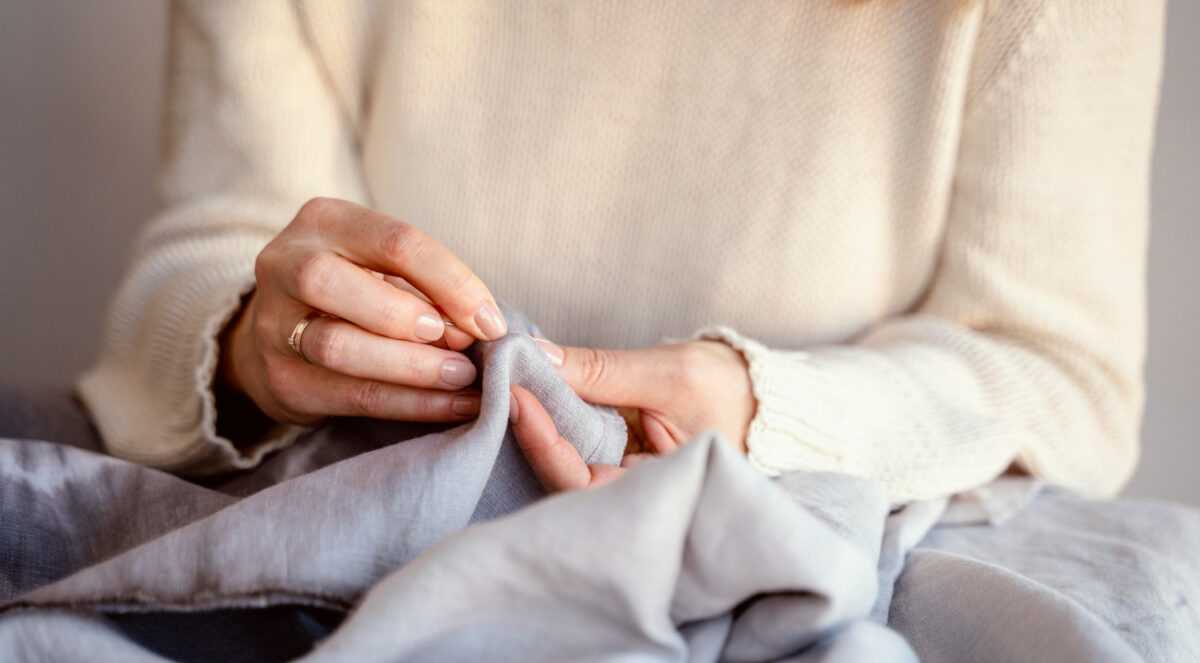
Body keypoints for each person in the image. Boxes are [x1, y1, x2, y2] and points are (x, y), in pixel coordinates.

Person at [78, 0, 1165, 503]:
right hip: (364, 539)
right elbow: (206, 246)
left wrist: (761, 414)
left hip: (813, 588)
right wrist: (248, 342)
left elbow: (1058, 371)